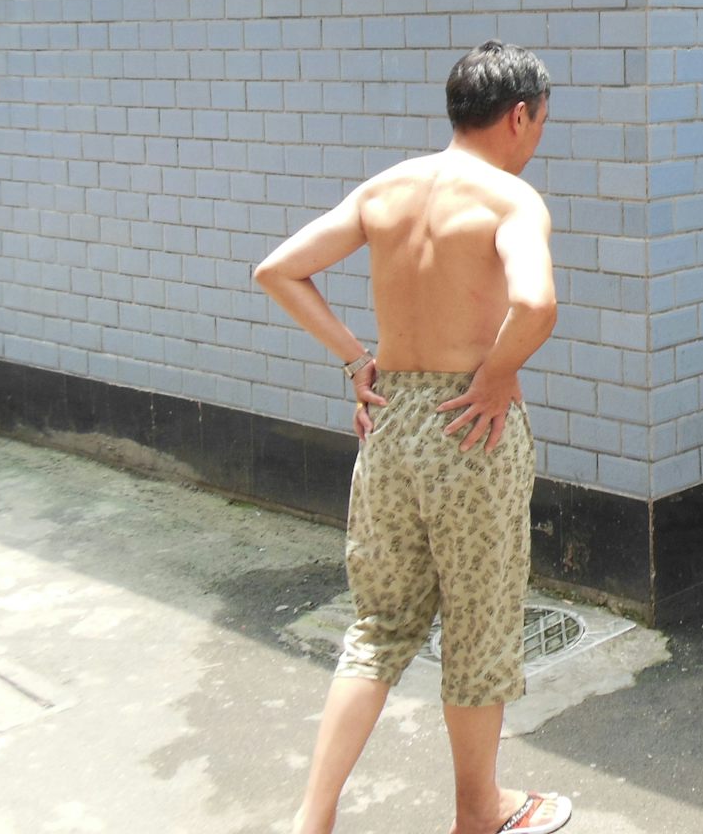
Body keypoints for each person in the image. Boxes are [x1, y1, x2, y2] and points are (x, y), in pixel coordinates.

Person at [254, 41, 569, 834]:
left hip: (390, 425)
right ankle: (478, 815)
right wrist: (496, 376)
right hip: (470, 430)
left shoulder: (385, 188)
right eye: (539, 124)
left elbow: (279, 270)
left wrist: (356, 360)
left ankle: (312, 818)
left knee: (379, 627)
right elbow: (535, 305)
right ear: (519, 116)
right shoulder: (509, 200)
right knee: (479, 627)